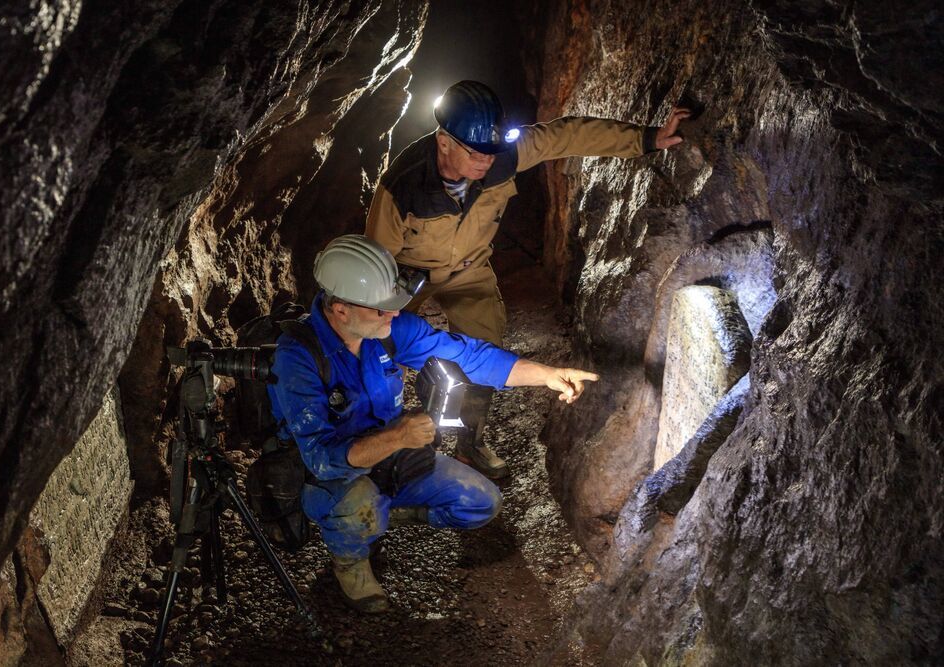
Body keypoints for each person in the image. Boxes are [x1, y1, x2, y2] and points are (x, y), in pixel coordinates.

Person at [365, 80, 689, 479]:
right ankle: (385, 441)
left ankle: (470, 442)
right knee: (376, 347)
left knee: (484, 344)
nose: (486, 162)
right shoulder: (403, 187)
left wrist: (648, 138)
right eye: (475, 153)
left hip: (469, 270)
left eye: (492, 152)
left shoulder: (503, 156)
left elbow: (567, 135)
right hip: (407, 277)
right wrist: (377, 317)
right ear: (444, 141)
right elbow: (374, 263)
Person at [267, 235, 598, 613]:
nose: (394, 316)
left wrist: (546, 374)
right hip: (330, 474)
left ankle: (378, 516)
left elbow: (468, 356)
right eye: (382, 309)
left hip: (390, 454)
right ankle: (351, 559)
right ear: (341, 310)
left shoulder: (386, 330)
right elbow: (322, 459)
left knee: (480, 502)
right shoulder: (297, 360)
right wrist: (397, 436)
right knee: (358, 503)